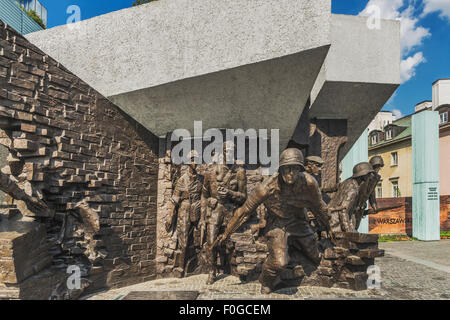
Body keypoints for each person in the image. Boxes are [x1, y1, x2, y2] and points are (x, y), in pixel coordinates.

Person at [216, 148, 332, 294]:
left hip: (299, 221)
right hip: (277, 224)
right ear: (281, 169)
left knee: (315, 256)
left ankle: (295, 254)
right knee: (279, 261)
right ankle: (265, 280)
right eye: (287, 168)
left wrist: (329, 227)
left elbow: (319, 207)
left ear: (300, 169)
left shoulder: (309, 183)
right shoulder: (266, 187)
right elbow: (244, 212)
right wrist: (226, 233)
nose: (291, 172)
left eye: (295, 168)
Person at [200, 141, 247, 285]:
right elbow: (204, 195)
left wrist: (230, 193)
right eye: (227, 150)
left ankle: (237, 270)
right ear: (223, 152)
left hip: (231, 211)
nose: (230, 153)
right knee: (211, 242)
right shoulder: (210, 172)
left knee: (232, 243)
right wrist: (204, 213)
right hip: (214, 212)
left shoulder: (239, 172)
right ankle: (211, 272)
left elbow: (243, 196)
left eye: (232, 150)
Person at [165, 150, 203, 274]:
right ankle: (181, 266)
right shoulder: (182, 179)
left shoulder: (201, 179)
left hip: (197, 208)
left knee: (201, 235)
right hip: (185, 208)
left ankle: (199, 263)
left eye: (196, 159)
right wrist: (170, 215)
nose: (195, 162)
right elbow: (175, 199)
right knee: (184, 239)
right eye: (192, 159)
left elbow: (204, 196)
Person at [328, 162, 374, 233]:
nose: (370, 176)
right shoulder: (353, 189)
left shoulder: (348, 182)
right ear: (363, 175)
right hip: (336, 224)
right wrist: (348, 230)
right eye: (369, 174)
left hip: (333, 219)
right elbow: (343, 210)